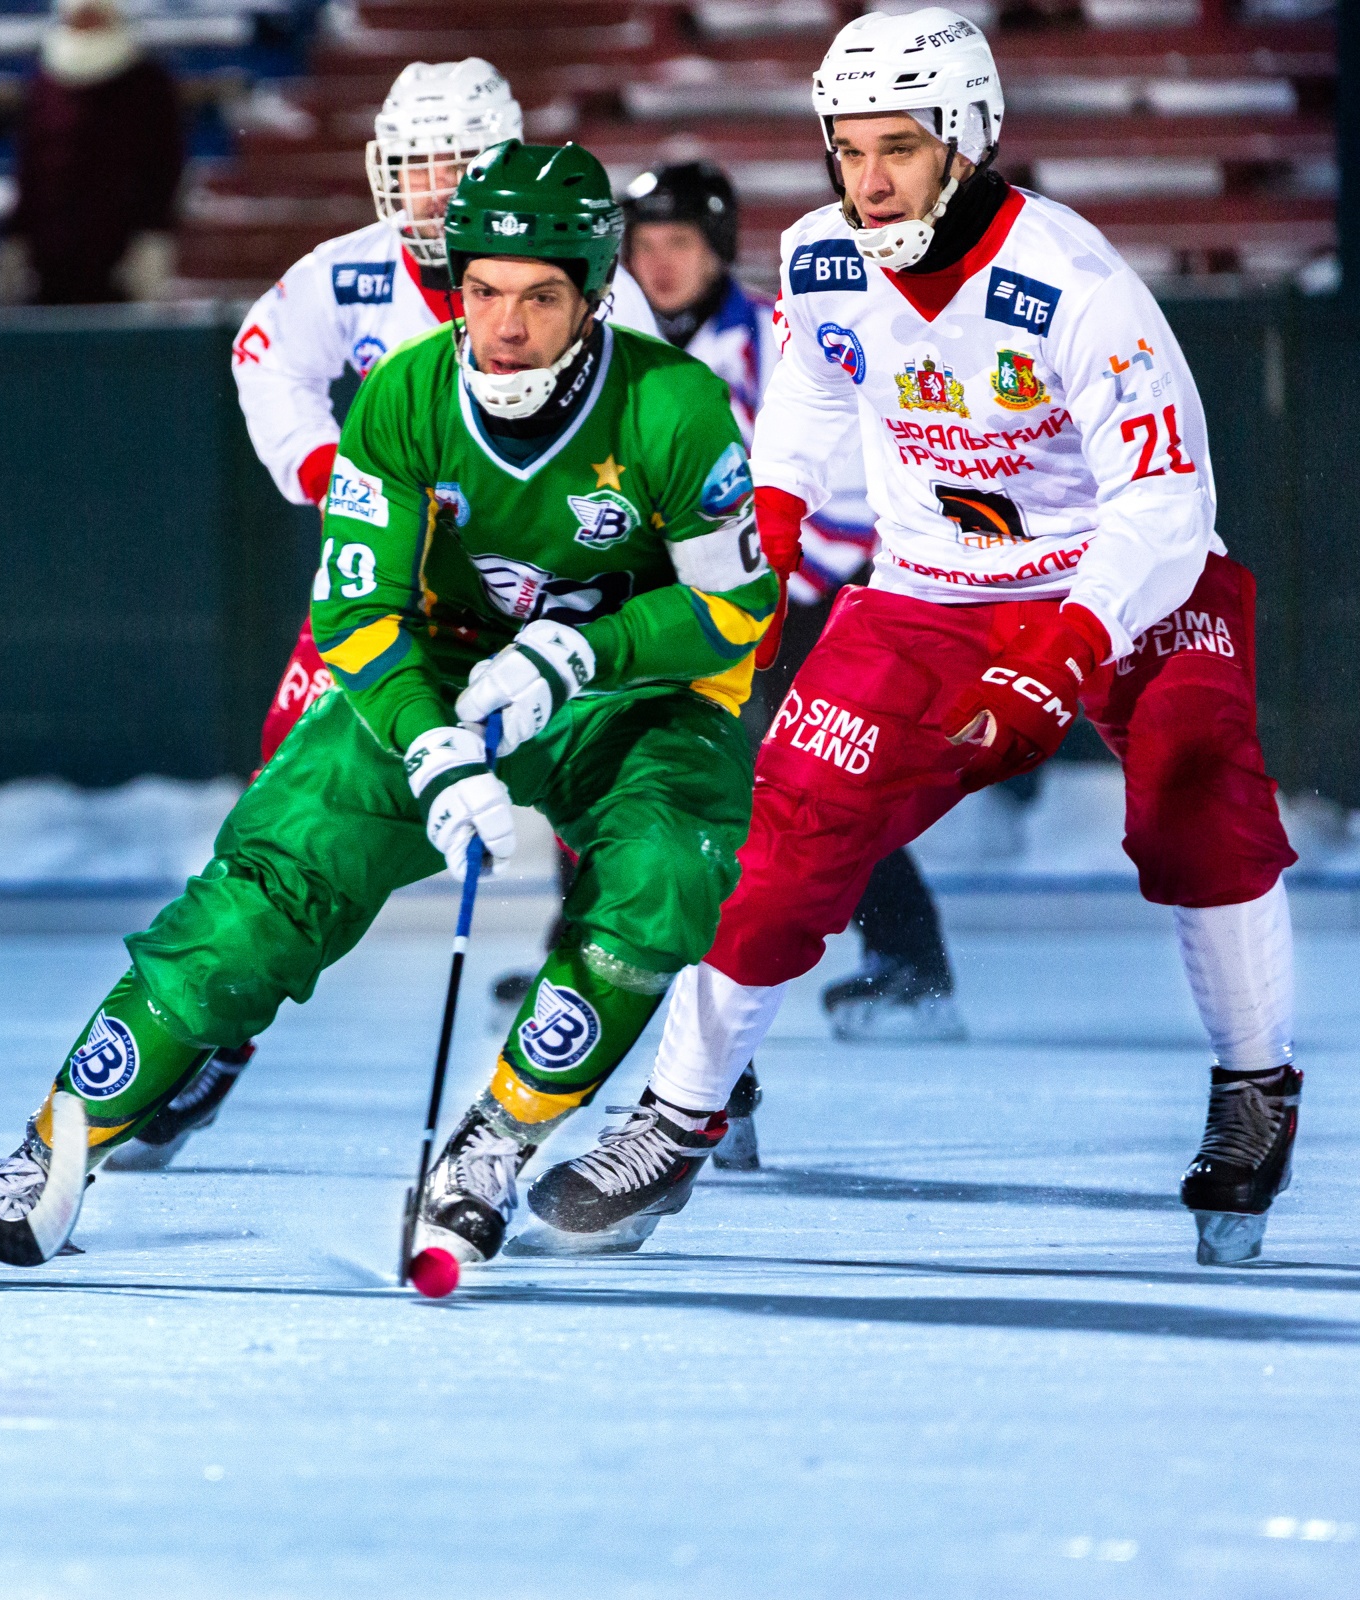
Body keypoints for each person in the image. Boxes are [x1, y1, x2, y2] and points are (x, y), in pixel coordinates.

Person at [0, 144, 777, 1280]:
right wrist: (435, 749)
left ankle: (493, 1145)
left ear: (595, 294)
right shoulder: (407, 396)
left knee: (668, 870)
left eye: (539, 297)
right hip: (445, 671)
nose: (504, 327)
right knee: (268, 876)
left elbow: (735, 605)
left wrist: (585, 647)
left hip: (633, 693)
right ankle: (51, 1149)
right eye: (483, 291)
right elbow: (359, 612)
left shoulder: (675, 406)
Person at [536, 8, 1301, 1265]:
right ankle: (674, 1120)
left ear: (970, 139)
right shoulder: (824, 256)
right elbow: (810, 407)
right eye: (846, 148)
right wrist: (760, 544)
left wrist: (1064, 647)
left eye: (898, 146)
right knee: (773, 844)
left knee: (1196, 793)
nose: (868, 179)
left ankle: (1254, 1085)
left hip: (1130, 583)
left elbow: (1169, 504)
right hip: (926, 591)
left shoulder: (1075, 281)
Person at [108, 62, 665, 1170]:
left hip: (548, 595)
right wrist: (328, 470)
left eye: (452, 168)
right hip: (393, 591)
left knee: (622, 793)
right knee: (290, 790)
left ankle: (674, 1049)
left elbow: (658, 421)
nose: (426, 193)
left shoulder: (583, 282)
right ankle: (224, 1026)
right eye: (411, 168)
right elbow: (265, 358)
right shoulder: (346, 274)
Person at [622, 161, 963, 1172]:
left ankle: (903, 963)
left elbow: (851, 474)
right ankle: (689, 1043)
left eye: (679, 241)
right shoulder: (627, 347)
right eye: (644, 245)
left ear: (721, 248)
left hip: (807, 593)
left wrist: (780, 581)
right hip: (697, 602)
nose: (659, 262)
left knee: (809, 792)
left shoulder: (783, 328)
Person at [0, 0, 183, 305]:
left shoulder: (147, 85)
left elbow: (164, 166)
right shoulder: (45, 83)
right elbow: (30, 169)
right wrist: (16, 238)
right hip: (51, 256)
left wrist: (152, 237)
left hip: (121, 256)